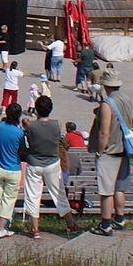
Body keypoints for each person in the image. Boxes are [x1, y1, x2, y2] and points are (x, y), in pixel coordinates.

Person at [22, 95, 79, 237]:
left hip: (34, 162)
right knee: (59, 194)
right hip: (52, 163)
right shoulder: (57, 124)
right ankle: (71, 224)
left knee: (33, 195)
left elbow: (27, 129)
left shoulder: (31, 125)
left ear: (36, 109)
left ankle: (34, 228)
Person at [87, 68, 133, 236]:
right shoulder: (126, 99)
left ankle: (105, 224)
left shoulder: (107, 103)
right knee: (119, 188)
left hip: (111, 150)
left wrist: (100, 151)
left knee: (106, 190)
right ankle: (120, 219)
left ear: (105, 86)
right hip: (125, 149)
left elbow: (104, 132)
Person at [0, 103, 26, 239]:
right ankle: (1, 228)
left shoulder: (0, 126)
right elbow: (22, 148)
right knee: (8, 199)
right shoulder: (19, 132)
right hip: (13, 168)